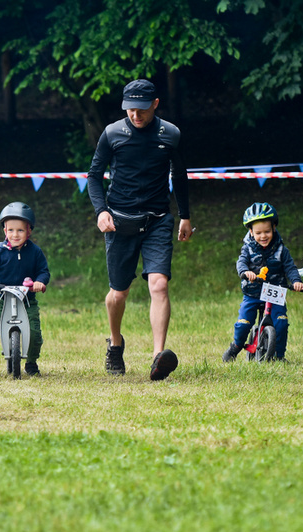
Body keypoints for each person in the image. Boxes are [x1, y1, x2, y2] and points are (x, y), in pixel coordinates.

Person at [86, 79, 192, 381]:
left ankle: (158, 356)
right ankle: (115, 343)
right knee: (118, 294)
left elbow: (180, 177)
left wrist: (184, 215)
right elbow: (94, 176)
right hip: (119, 221)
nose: (136, 115)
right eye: (130, 109)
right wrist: (101, 211)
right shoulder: (112, 134)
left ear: (155, 104)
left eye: (142, 109)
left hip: (158, 219)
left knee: (159, 284)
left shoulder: (170, 134)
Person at [0, 202, 50, 376]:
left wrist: (39, 282)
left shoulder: (35, 252)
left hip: (27, 299)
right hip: (1, 297)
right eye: (11, 230)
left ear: (29, 231)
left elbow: (43, 271)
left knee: (34, 333)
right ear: (4, 231)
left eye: (20, 230)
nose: (15, 235)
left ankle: (31, 362)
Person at [223, 203, 303, 361]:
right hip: (253, 292)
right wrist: (245, 272)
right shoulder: (248, 249)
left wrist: (296, 281)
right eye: (258, 232)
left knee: (281, 323)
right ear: (251, 232)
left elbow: (290, 267)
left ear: (274, 228)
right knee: (243, 323)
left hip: (275, 293)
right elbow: (241, 262)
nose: (263, 236)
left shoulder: (282, 250)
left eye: (267, 231)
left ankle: (279, 356)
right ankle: (236, 347)